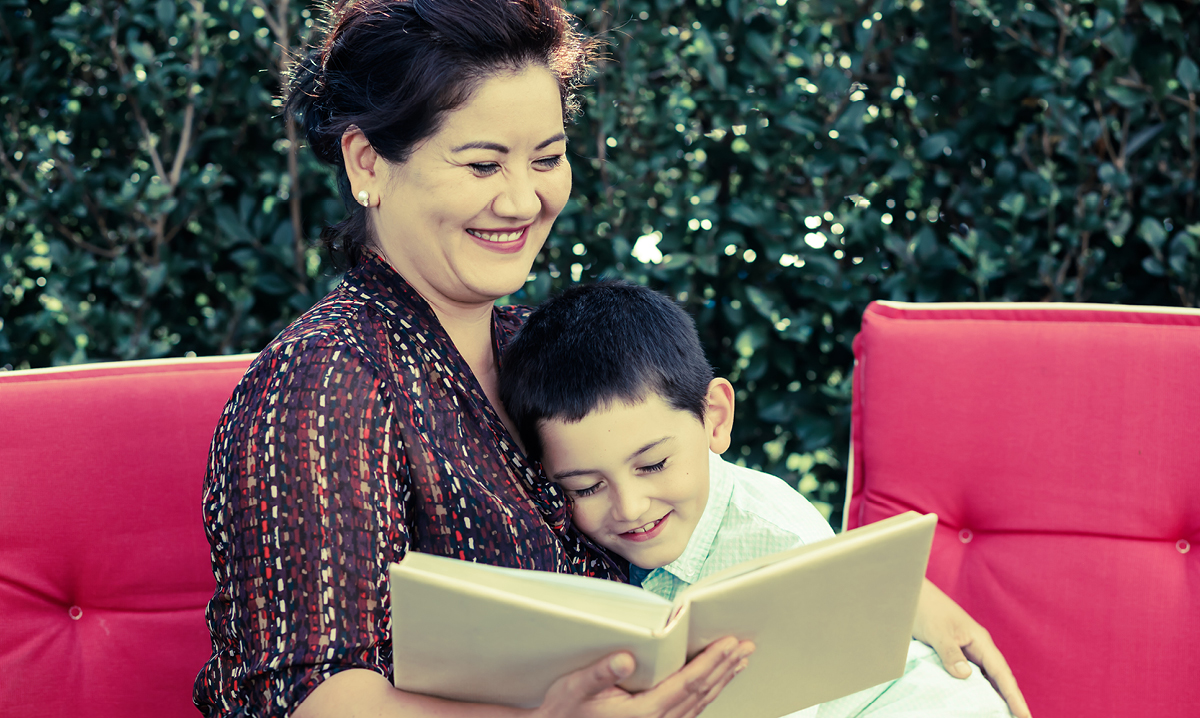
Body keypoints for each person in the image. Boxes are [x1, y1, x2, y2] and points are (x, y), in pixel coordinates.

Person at [194, 0, 1027, 716]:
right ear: (368, 161)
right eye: (482, 162)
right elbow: (307, 701)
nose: (524, 199)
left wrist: (891, 603)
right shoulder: (328, 382)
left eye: (547, 158)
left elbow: (704, 525)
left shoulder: (539, 347)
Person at [499, 281, 1025, 718]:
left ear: (716, 418)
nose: (631, 506)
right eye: (584, 488)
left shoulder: (772, 543)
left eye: (654, 464)